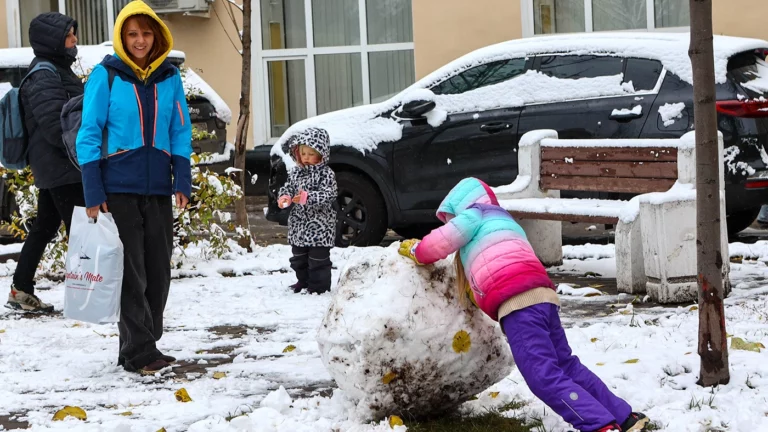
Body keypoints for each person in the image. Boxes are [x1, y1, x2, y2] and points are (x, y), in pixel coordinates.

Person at [397, 177, 650, 432]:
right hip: (543, 297)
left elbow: (440, 242)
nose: (450, 223)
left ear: (460, 206)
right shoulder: (504, 221)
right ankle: (624, 416)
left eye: (450, 217)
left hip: (519, 306)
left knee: (542, 376)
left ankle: (599, 425)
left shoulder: (474, 215)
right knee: (565, 364)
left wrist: (417, 250)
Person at [76, 0, 192, 375]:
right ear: (121, 38)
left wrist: (183, 178)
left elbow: (179, 131)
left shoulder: (169, 77)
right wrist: (93, 190)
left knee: (158, 269)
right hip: (118, 188)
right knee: (131, 271)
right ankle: (140, 350)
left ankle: (141, 343)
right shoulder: (106, 75)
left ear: (156, 35)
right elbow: (89, 133)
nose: (139, 40)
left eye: (145, 33)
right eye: (132, 34)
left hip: (158, 185)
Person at [5, 13, 85, 313]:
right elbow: (56, 127)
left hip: (57, 166)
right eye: (69, 35)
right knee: (84, 231)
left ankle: (21, 289)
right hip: (62, 168)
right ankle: (90, 294)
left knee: (45, 226)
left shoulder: (56, 70)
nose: (74, 40)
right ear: (53, 40)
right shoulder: (44, 74)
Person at [277, 127, 337, 295]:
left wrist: (307, 197)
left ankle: (319, 286)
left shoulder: (326, 174)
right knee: (298, 257)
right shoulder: (295, 172)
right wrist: (285, 197)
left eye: (311, 154)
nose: (307, 158)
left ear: (322, 154)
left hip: (320, 226)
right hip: (299, 225)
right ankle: (303, 281)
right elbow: (287, 188)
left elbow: (329, 194)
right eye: (303, 154)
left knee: (318, 259)